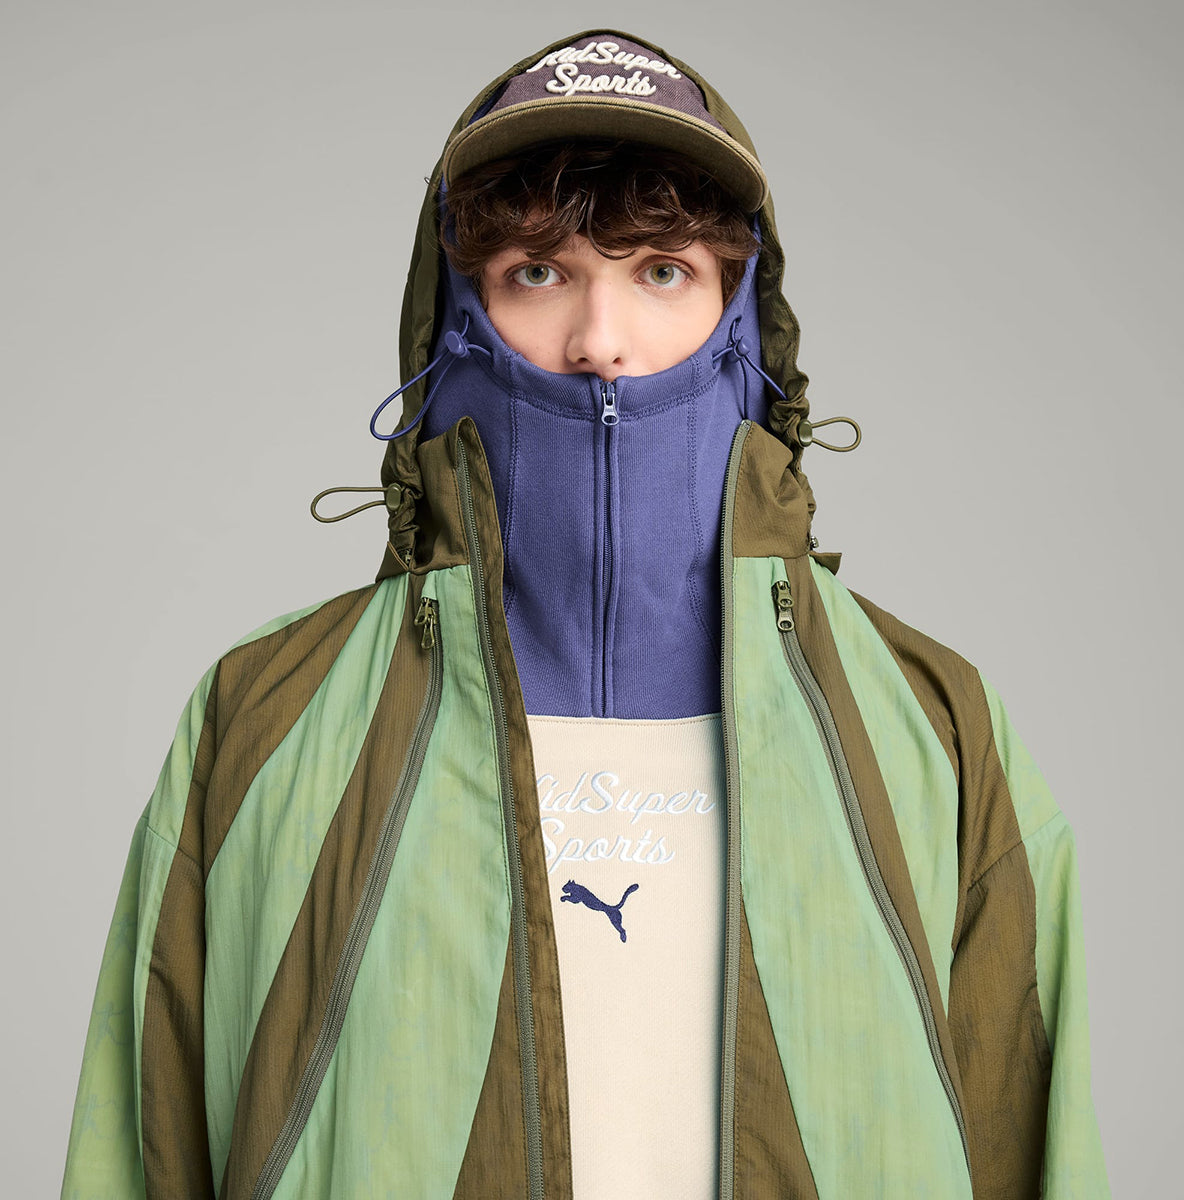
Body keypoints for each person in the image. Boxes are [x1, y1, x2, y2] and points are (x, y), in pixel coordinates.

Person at [61, 28, 1110, 1200]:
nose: (601, 342)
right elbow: (135, 1154)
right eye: (538, 272)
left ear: (741, 311)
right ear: (456, 313)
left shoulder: (937, 729)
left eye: (662, 272)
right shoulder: (260, 717)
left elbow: (1033, 1146)